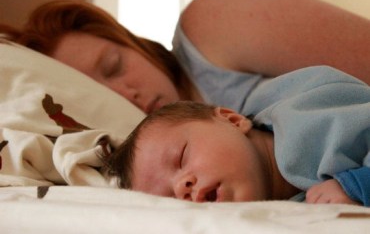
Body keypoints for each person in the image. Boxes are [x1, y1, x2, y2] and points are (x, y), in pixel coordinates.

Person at [1, 0, 370, 115]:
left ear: (134, 44)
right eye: (95, 96)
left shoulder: (213, 26)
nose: (124, 95)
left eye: (114, 66)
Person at [102, 65, 370, 206]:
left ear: (232, 119)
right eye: (170, 198)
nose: (181, 187)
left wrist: (357, 185)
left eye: (181, 158)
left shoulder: (312, 119)